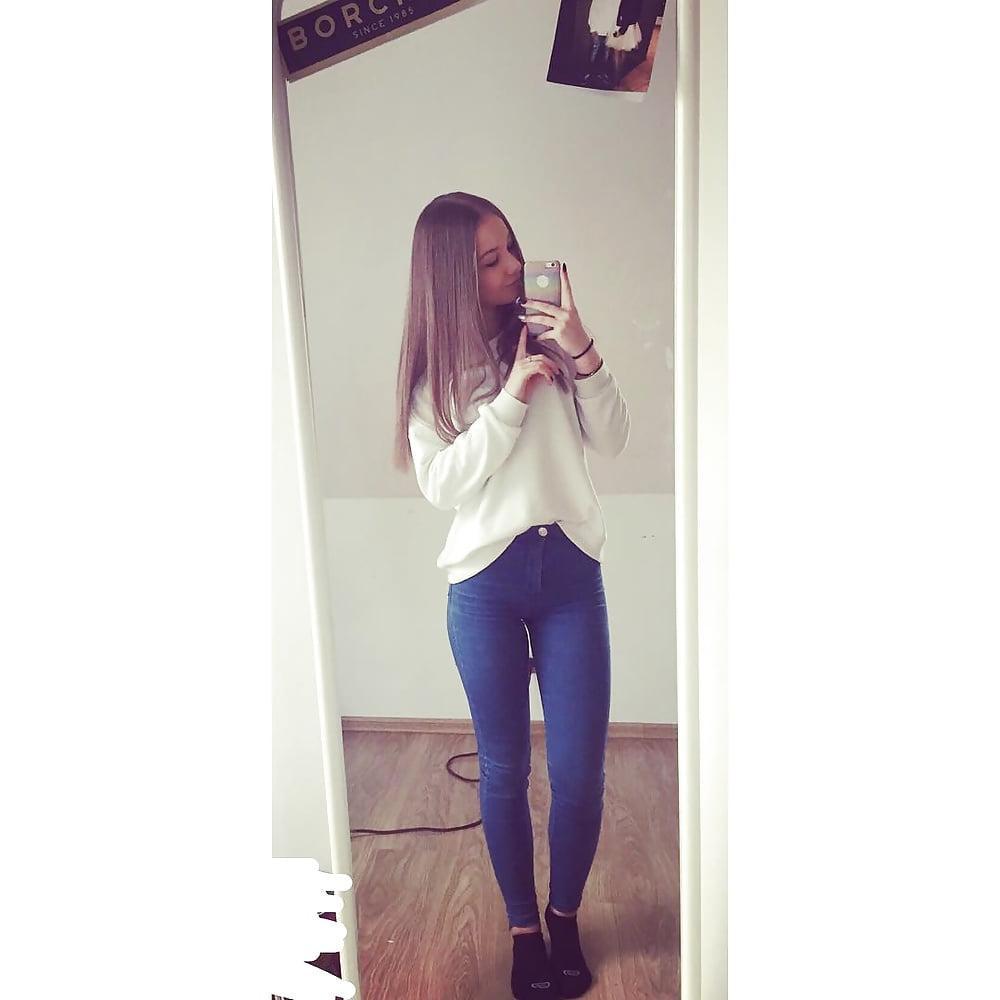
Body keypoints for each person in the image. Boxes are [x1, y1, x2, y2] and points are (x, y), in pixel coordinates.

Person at [393, 193, 630, 999]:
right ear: (448, 277)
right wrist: (512, 397)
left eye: (511, 251)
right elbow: (443, 486)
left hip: (570, 575)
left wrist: (580, 348)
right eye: (487, 261)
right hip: (484, 587)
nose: (509, 269)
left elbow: (616, 438)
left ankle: (565, 917)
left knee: (580, 772)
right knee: (502, 770)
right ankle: (524, 930)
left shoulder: (555, 344)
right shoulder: (436, 378)